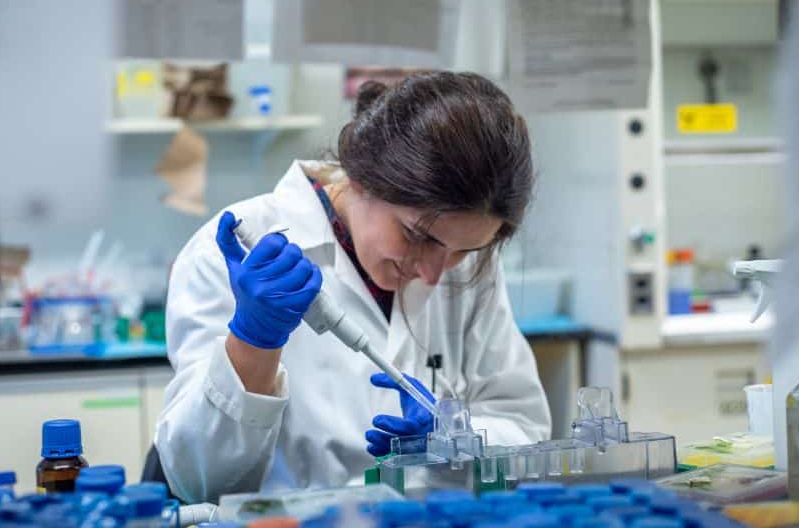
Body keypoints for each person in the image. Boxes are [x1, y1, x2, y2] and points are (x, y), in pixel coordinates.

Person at [154, 71, 551, 503]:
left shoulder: (469, 264)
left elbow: (521, 424)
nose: (436, 274)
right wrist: (253, 343)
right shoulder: (239, 249)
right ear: (362, 178)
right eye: (418, 236)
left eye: (463, 251)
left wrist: (456, 438)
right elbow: (197, 483)